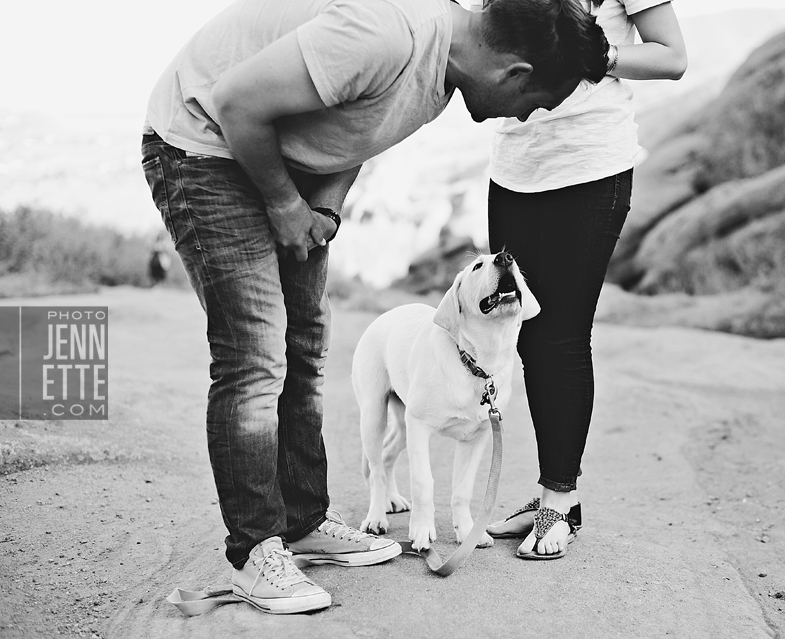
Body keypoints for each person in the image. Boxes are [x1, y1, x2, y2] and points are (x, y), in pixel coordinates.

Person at [141, 0, 609, 615]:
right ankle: (256, 549)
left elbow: (350, 131)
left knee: (304, 349)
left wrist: (325, 209)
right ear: (516, 73)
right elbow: (235, 103)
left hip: (283, 163)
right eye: (536, 103)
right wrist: (285, 205)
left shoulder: (444, 74)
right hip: (205, 147)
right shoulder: (389, 33)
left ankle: (303, 519)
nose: (526, 115)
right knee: (255, 359)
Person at [485, 0, 686, 559]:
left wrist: (598, 56)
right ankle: (549, 487)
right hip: (513, 168)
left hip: (590, 166)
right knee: (524, 332)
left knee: (562, 335)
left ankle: (560, 499)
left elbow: (673, 58)